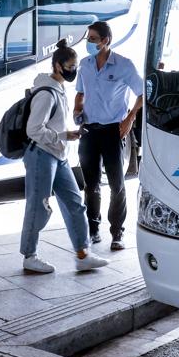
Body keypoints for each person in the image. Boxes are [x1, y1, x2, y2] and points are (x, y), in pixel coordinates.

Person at [21, 40, 109, 274]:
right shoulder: (47, 94)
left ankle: (83, 254)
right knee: (38, 206)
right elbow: (33, 130)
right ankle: (30, 256)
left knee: (75, 205)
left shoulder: (60, 89)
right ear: (57, 66)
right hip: (41, 154)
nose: (74, 70)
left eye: (76, 65)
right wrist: (64, 135)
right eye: (70, 66)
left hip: (57, 155)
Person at [74, 21, 143, 251]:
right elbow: (80, 93)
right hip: (89, 131)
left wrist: (130, 117)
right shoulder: (84, 65)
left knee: (117, 185)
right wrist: (77, 109)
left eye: (93, 39)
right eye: (88, 38)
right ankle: (93, 230)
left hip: (114, 131)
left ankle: (117, 233)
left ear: (106, 40)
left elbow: (144, 94)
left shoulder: (124, 65)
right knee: (91, 185)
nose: (89, 43)